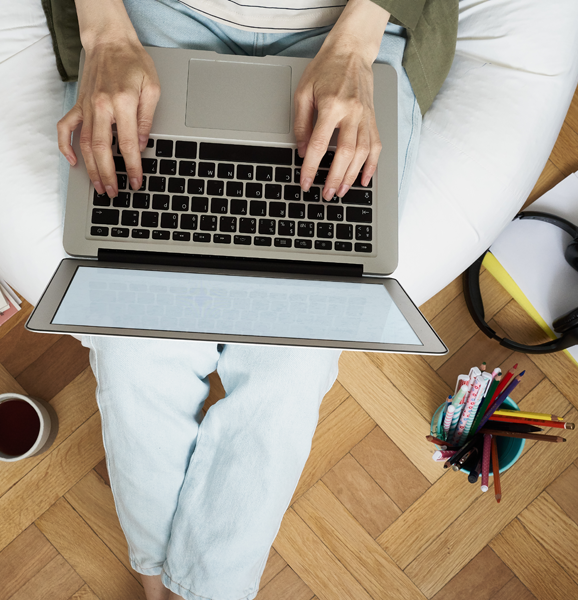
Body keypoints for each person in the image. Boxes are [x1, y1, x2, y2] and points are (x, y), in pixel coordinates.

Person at [44, 0, 458, 598]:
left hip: (348, 30)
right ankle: (164, 579)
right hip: (154, 19)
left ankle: (182, 583)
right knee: (134, 344)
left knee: (290, 367)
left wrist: (354, 46)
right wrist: (104, 33)